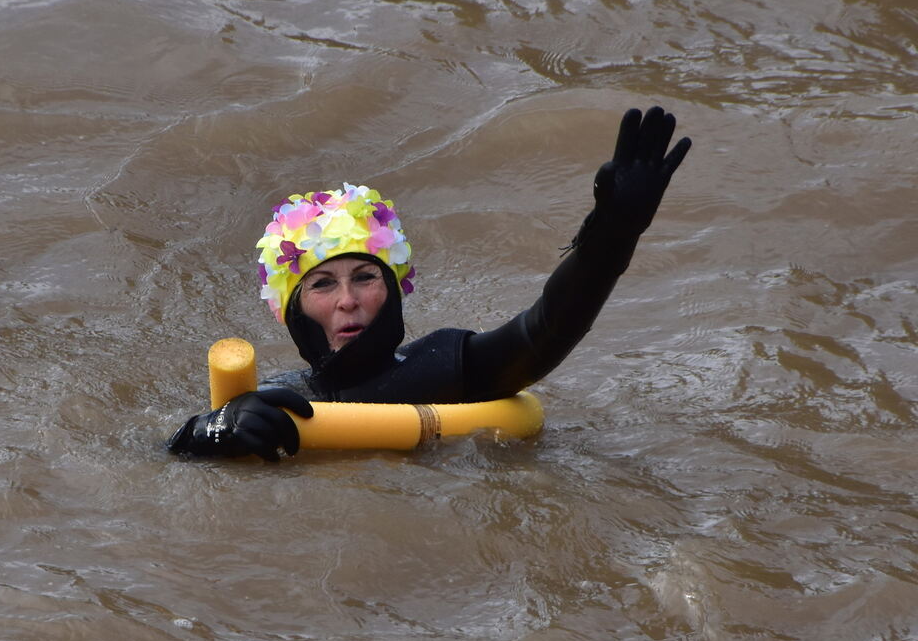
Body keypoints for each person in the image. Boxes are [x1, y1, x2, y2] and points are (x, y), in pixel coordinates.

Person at [168, 107, 691, 460]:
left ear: (393, 290)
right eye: (322, 285)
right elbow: (156, 465)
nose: (348, 301)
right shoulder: (277, 402)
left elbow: (544, 331)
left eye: (366, 277)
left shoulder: (441, 367)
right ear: (294, 310)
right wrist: (206, 434)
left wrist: (612, 234)